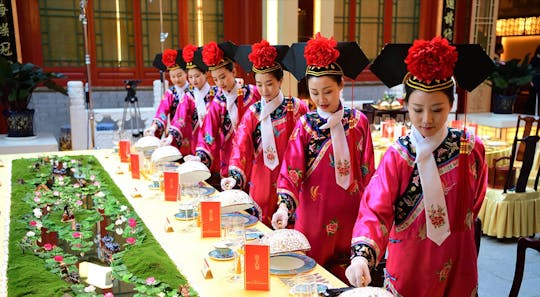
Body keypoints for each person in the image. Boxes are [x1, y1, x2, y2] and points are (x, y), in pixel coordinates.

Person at [345, 37, 489, 297]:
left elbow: (476, 198)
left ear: (452, 105)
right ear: (405, 106)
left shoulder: (471, 147)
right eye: (418, 109)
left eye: (437, 109)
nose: (426, 119)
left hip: (459, 259)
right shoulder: (398, 156)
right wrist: (361, 257)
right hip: (410, 262)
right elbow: (375, 210)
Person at [271, 33, 375, 280]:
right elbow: (291, 170)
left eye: (328, 91)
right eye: (314, 92)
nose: (321, 99)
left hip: (352, 214)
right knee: (312, 277)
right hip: (314, 217)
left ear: (341, 85)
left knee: (348, 279)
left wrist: (371, 214)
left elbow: (368, 171)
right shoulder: (305, 125)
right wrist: (284, 207)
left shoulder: (358, 121)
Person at [223, 40, 308, 226]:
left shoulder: (297, 108)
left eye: (269, 84)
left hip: (291, 177)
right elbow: (241, 146)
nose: (264, 90)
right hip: (260, 178)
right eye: (259, 85)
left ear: (280, 80)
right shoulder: (253, 112)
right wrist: (235, 176)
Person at [195, 41, 260, 179]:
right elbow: (209, 131)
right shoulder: (217, 103)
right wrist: (200, 156)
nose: (220, 83)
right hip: (230, 156)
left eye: (223, 77)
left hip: (255, 152)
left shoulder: (252, 93)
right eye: (215, 79)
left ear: (234, 71)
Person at [164, 44, 218, 155]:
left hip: (215, 139)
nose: (194, 80)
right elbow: (180, 116)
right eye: (191, 77)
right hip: (196, 139)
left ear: (205, 74)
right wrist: (170, 136)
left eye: (197, 76)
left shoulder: (216, 93)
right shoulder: (189, 96)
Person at [145, 48, 193, 153]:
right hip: (173, 133)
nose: (176, 79)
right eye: (173, 76)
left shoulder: (193, 91)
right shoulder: (170, 93)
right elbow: (162, 111)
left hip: (192, 132)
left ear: (186, 74)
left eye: (179, 75)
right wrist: (154, 127)